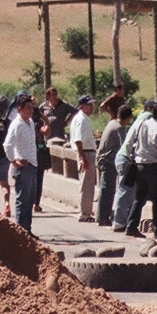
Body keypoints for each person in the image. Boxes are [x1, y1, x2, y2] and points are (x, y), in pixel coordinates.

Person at [123, 102, 157, 240]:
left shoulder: (143, 124)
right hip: (152, 167)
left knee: (139, 198)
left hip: (139, 164)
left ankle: (131, 226)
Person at [110, 100, 155, 234]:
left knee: (127, 189)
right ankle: (119, 222)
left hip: (124, 157)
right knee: (126, 190)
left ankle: (121, 220)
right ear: (150, 109)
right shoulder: (147, 118)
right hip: (127, 158)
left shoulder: (140, 117)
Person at [3, 92, 40, 232]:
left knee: (30, 201)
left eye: (31, 107)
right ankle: (20, 232)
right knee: (22, 201)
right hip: (23, 166)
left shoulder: (30, 122)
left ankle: (27, 230)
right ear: (19, 109)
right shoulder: (16, 124)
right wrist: (14, 161)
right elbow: (7, 145)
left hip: (33, 164)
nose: (30, 110)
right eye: (27, 108)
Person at [36, 87, 75, 213]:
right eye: (51, 94)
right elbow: (37, 116)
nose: (54, 96)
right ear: (48, 96)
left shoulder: (63, 105)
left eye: (55, 94)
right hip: (45, 138)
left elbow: (75, 111)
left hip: (58, 136)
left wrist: (66, 122)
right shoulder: (44, 106)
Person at [96, 103, 132, 227]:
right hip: (108, 160)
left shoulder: (112, 123)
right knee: (107, 189)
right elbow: (125, 146)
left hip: (103, 159)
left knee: (106, 188)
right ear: (128, 118)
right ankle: (102, 217)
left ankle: (102, 216)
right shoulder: (119, 128)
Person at [67, 94, 98, 222]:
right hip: (85, 152)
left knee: (87, 184)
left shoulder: (81, 118)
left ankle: (86, 211)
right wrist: (83, 158)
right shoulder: (81, 119)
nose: (92, 107)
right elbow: (78, 140)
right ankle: (85, 213)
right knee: (86, 185)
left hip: (86, 152)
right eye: (89, 105)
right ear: (83, 106)